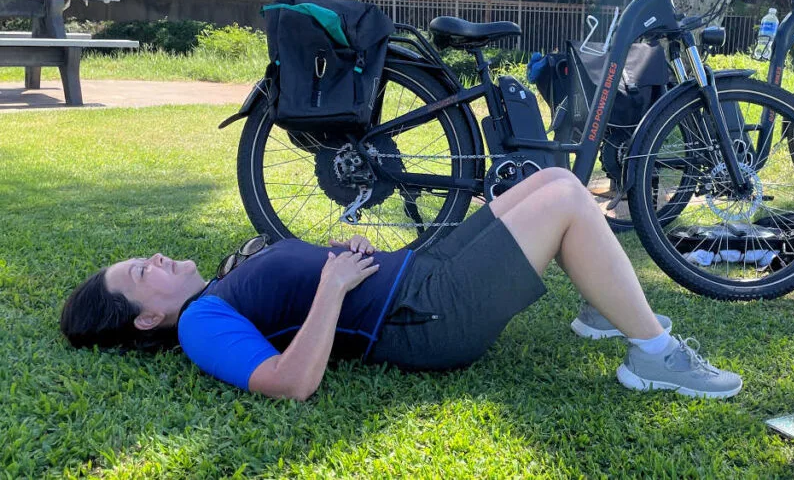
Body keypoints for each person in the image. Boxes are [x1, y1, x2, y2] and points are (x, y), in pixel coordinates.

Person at [60, 168, 742, 401]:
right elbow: (288, 382)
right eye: (138, 273)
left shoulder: (221, 288)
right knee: (565, 200)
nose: (152, 257)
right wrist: (331, 284)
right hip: (426, 316)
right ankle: (654, 354)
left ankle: (607, 306)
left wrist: (342, 257)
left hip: (418, 274)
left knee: (545, 180)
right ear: (145, 319)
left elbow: (297, 297)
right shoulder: (196, 325)